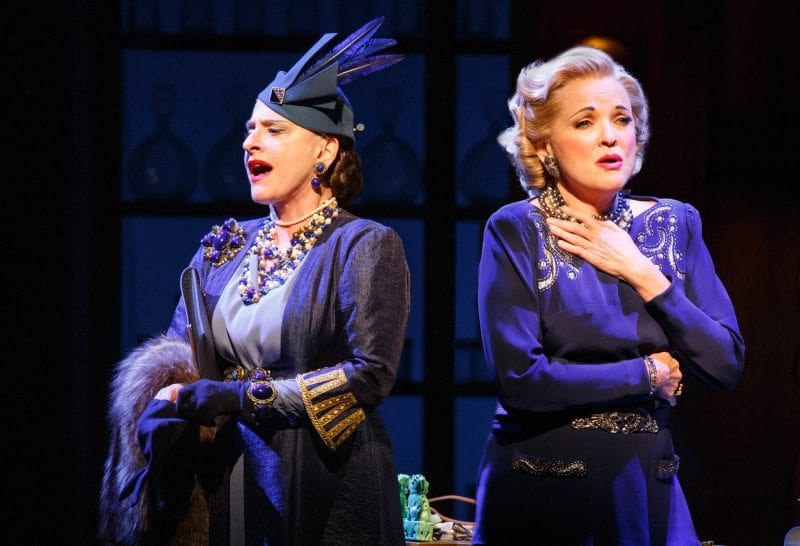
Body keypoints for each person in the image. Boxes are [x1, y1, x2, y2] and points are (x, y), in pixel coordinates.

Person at [99, 17, 410, 545]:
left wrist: (240, 398)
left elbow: (369, 376)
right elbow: (182, 350)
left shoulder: (363, 244)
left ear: (325, 149)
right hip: (223, 474)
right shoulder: (225, 243)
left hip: (321, 478)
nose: (250, 143)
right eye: (249, 129)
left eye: (273, 130)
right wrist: (164, 397)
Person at [471, 46, 745, 545]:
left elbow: (725, 363)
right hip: (544, 486)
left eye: (622, 119)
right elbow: (522, 381)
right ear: (545, 144)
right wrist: (648, 375)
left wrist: (643, 273)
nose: (609, 135)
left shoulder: (674, 222)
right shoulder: (517, 230)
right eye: (585, 122)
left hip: (648, 485)